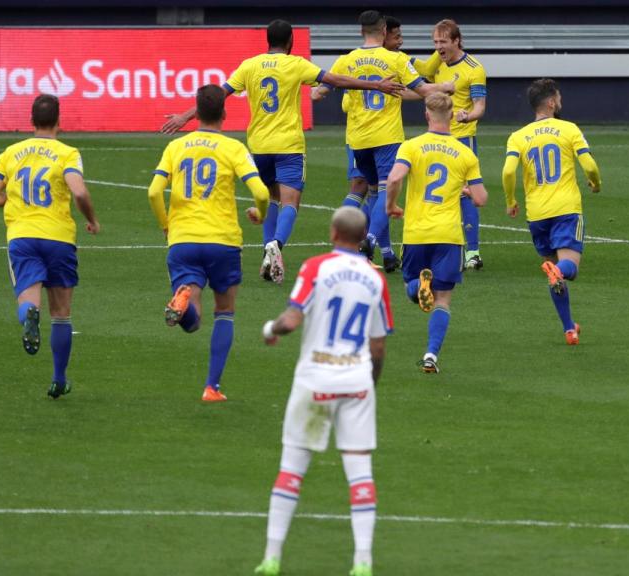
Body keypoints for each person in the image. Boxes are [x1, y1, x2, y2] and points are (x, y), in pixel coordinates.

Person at [161, 19, 401, 285]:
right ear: (290, 41)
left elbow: (218, 95)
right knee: (290, 202)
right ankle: (276, 244)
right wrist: (376, 85)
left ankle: (268, 249)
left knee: (271, 197)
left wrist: (185, 116)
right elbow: (335, 80)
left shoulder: (249, 65)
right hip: (288, 145)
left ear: (268, 40)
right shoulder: (296, 64)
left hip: (260, 145)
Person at [254, 206, 393, 576]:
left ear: (333, 233)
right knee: (360, 472)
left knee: (292, 470)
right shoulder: (376, 279)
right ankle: (362, 561)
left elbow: (291, 320)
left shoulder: (316, 267)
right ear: (362, 238)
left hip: (315, 381)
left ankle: (272, 557)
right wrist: (368, 385)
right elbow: (378, 346)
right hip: (356, 382)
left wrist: (270, 330)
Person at [149, 84, 270, 402]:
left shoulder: (176, 147)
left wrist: (165, 224)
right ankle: (211, 387)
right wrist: (260, 213)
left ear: (197, 113)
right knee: (224, 312)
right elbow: (261, 192)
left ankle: (183, 300)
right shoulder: (233, 148)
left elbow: (153, 191)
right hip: (223, 241)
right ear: (224, 113)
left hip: (183, 240)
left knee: (193, 322)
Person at [0, 94, 100, 398]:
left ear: (31, 120)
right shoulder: (67, 153)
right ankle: (59, 379)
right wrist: (92, 219)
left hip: (22, 236)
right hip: (59, 237)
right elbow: (79, 192)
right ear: (59, 120)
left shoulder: (11, 152)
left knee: (28, 301)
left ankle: (30, 315)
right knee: (61, 314)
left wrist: (15, 198)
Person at [317, 10, 449, 274]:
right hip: (387, 136)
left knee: (372, 191)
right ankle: (369, 240)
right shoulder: (396, 59)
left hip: (357, 139)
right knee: (386, 190)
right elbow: (423, 89)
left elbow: (319, 92)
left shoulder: (345, 60)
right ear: (384, 31)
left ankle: (376, 249)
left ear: (361, 31)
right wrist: (447, 86)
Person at [386, 93, 487, 373]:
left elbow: (394, 177)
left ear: (427, 115)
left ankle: (418, 287)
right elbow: (480, 199)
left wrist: (391, 205)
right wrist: (465, 190)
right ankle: (431, 354)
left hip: (417, 233)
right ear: (452, 116)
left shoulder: (411, 146)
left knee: (411, 286)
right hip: (449, 236)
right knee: (443, 300)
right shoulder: (465, 153)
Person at [502, 79, 602, 345]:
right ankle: (559, 273)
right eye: (558, 97)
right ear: (550, 102)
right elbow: (590, 166)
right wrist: (595, 183)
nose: (560, 101)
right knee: (568, 269)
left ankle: (569, 328)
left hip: (537, 214)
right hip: (566, 209)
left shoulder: (518, 136)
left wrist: (511, 200)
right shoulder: (569, 129)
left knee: (554, 275)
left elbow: (509, 171)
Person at [430, 20, 488, 270]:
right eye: (435, 42)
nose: (438, 47)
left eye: (443, 41)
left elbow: (480, 107)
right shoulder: (435, 64)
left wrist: (468, 116)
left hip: (463, 138)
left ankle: (472, 252)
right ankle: (444, 248)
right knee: (438, 193)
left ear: (456, 41)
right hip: (436, 138)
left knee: (466, 194)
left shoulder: (474, 68)